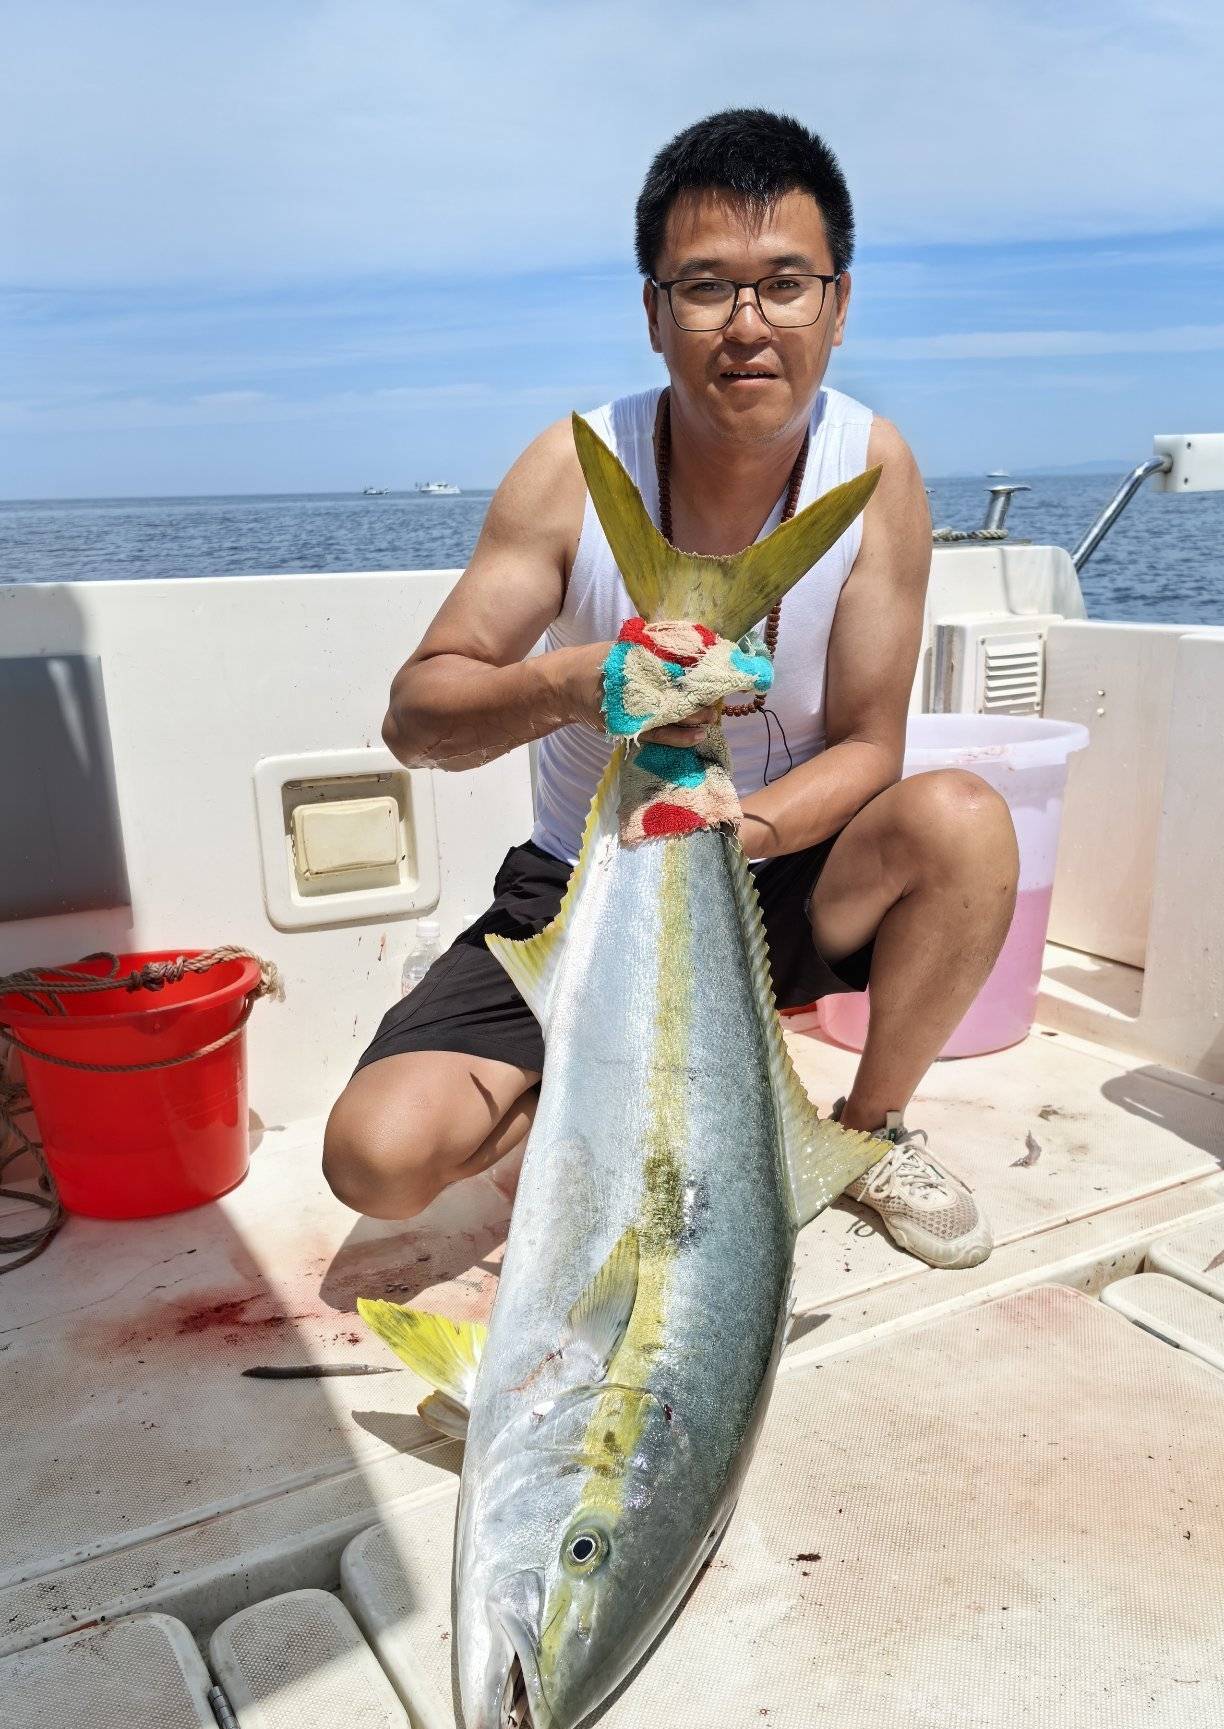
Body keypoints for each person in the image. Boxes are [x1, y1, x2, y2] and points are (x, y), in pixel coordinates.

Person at [323, 107, 1019, 1269]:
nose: (747, 324)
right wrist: (577, 681)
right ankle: (588, 1088)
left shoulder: (873, 469)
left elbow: (869, 746)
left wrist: (731, 834)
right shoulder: (572, 469)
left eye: (785, 285)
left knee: (964, 820)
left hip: (778, 864)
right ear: (654, 313)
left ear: (838, 305)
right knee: (378, 1160)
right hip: (584, 886)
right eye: (706, 288)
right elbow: (418, 718)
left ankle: (865, 1132)